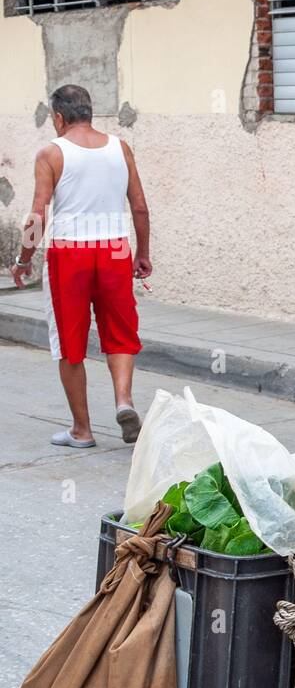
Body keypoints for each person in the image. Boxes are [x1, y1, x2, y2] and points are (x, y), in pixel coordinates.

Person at [11, 84, 150, 448]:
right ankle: (124, 400)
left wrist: (23, 260)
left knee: (70, 344)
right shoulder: (120, 148)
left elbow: (37, 216)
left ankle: (82, 430)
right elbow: (139, 207)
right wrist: (142, 253)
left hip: (69, 254)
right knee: (120, 334)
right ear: (90, 112)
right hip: (115, 250)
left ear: (58, 117)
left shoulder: (52, 153)